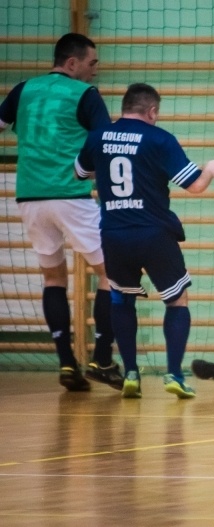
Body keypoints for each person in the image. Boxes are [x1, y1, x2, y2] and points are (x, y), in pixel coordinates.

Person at [74, 82, 214, 399]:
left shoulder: (98, 136)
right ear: (152, 111)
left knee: (121, 299)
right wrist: (210, 170)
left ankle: (130, 373)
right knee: (177, 299)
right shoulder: (159, 139)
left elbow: (79, 172)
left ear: (124, 107)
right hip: (153, 233)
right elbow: (195, 186)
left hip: (114, 234)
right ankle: (173, 374)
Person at [0, 33, 121, 391]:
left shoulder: (23, 89)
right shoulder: (85, 95)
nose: (95, 70)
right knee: (113, 274)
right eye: (92, 63)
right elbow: (105, 143)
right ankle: (101, 357)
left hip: (30, 198)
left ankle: (67, 363)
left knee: (53, 279)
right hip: (71, 194)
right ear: (72, 63)